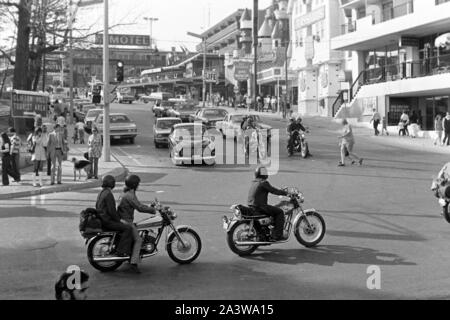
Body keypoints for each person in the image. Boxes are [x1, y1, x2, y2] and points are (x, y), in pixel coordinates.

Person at [118, 175, 156, 273]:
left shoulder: (126, 193)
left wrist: (149, 206)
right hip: (126, 221)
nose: (138, 185)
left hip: (123, 219)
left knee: (138, 232)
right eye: (137, 183)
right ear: (134, 184)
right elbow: (139, 207)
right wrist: (153, 210)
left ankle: (131, 256)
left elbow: (138, 204)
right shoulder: (130, 195)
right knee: (138, 240)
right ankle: (133, 263)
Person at [96, 176, 135, 270]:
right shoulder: (108, 194)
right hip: (107, 221)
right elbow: (112, 211)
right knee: (128, 228)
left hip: (102, 219)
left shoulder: (102, 192)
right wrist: (120, 220)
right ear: (112, 184)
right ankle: (121, 251)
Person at [248, 167, 289, 241]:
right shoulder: (263, 182)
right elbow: (273, 190)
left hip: (252, 206)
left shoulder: (254, 182)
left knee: (272, 210)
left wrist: (281, 191)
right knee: (280, 212)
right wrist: (286, 193)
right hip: (260, 206)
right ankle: (278, 235)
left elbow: (272, 189)